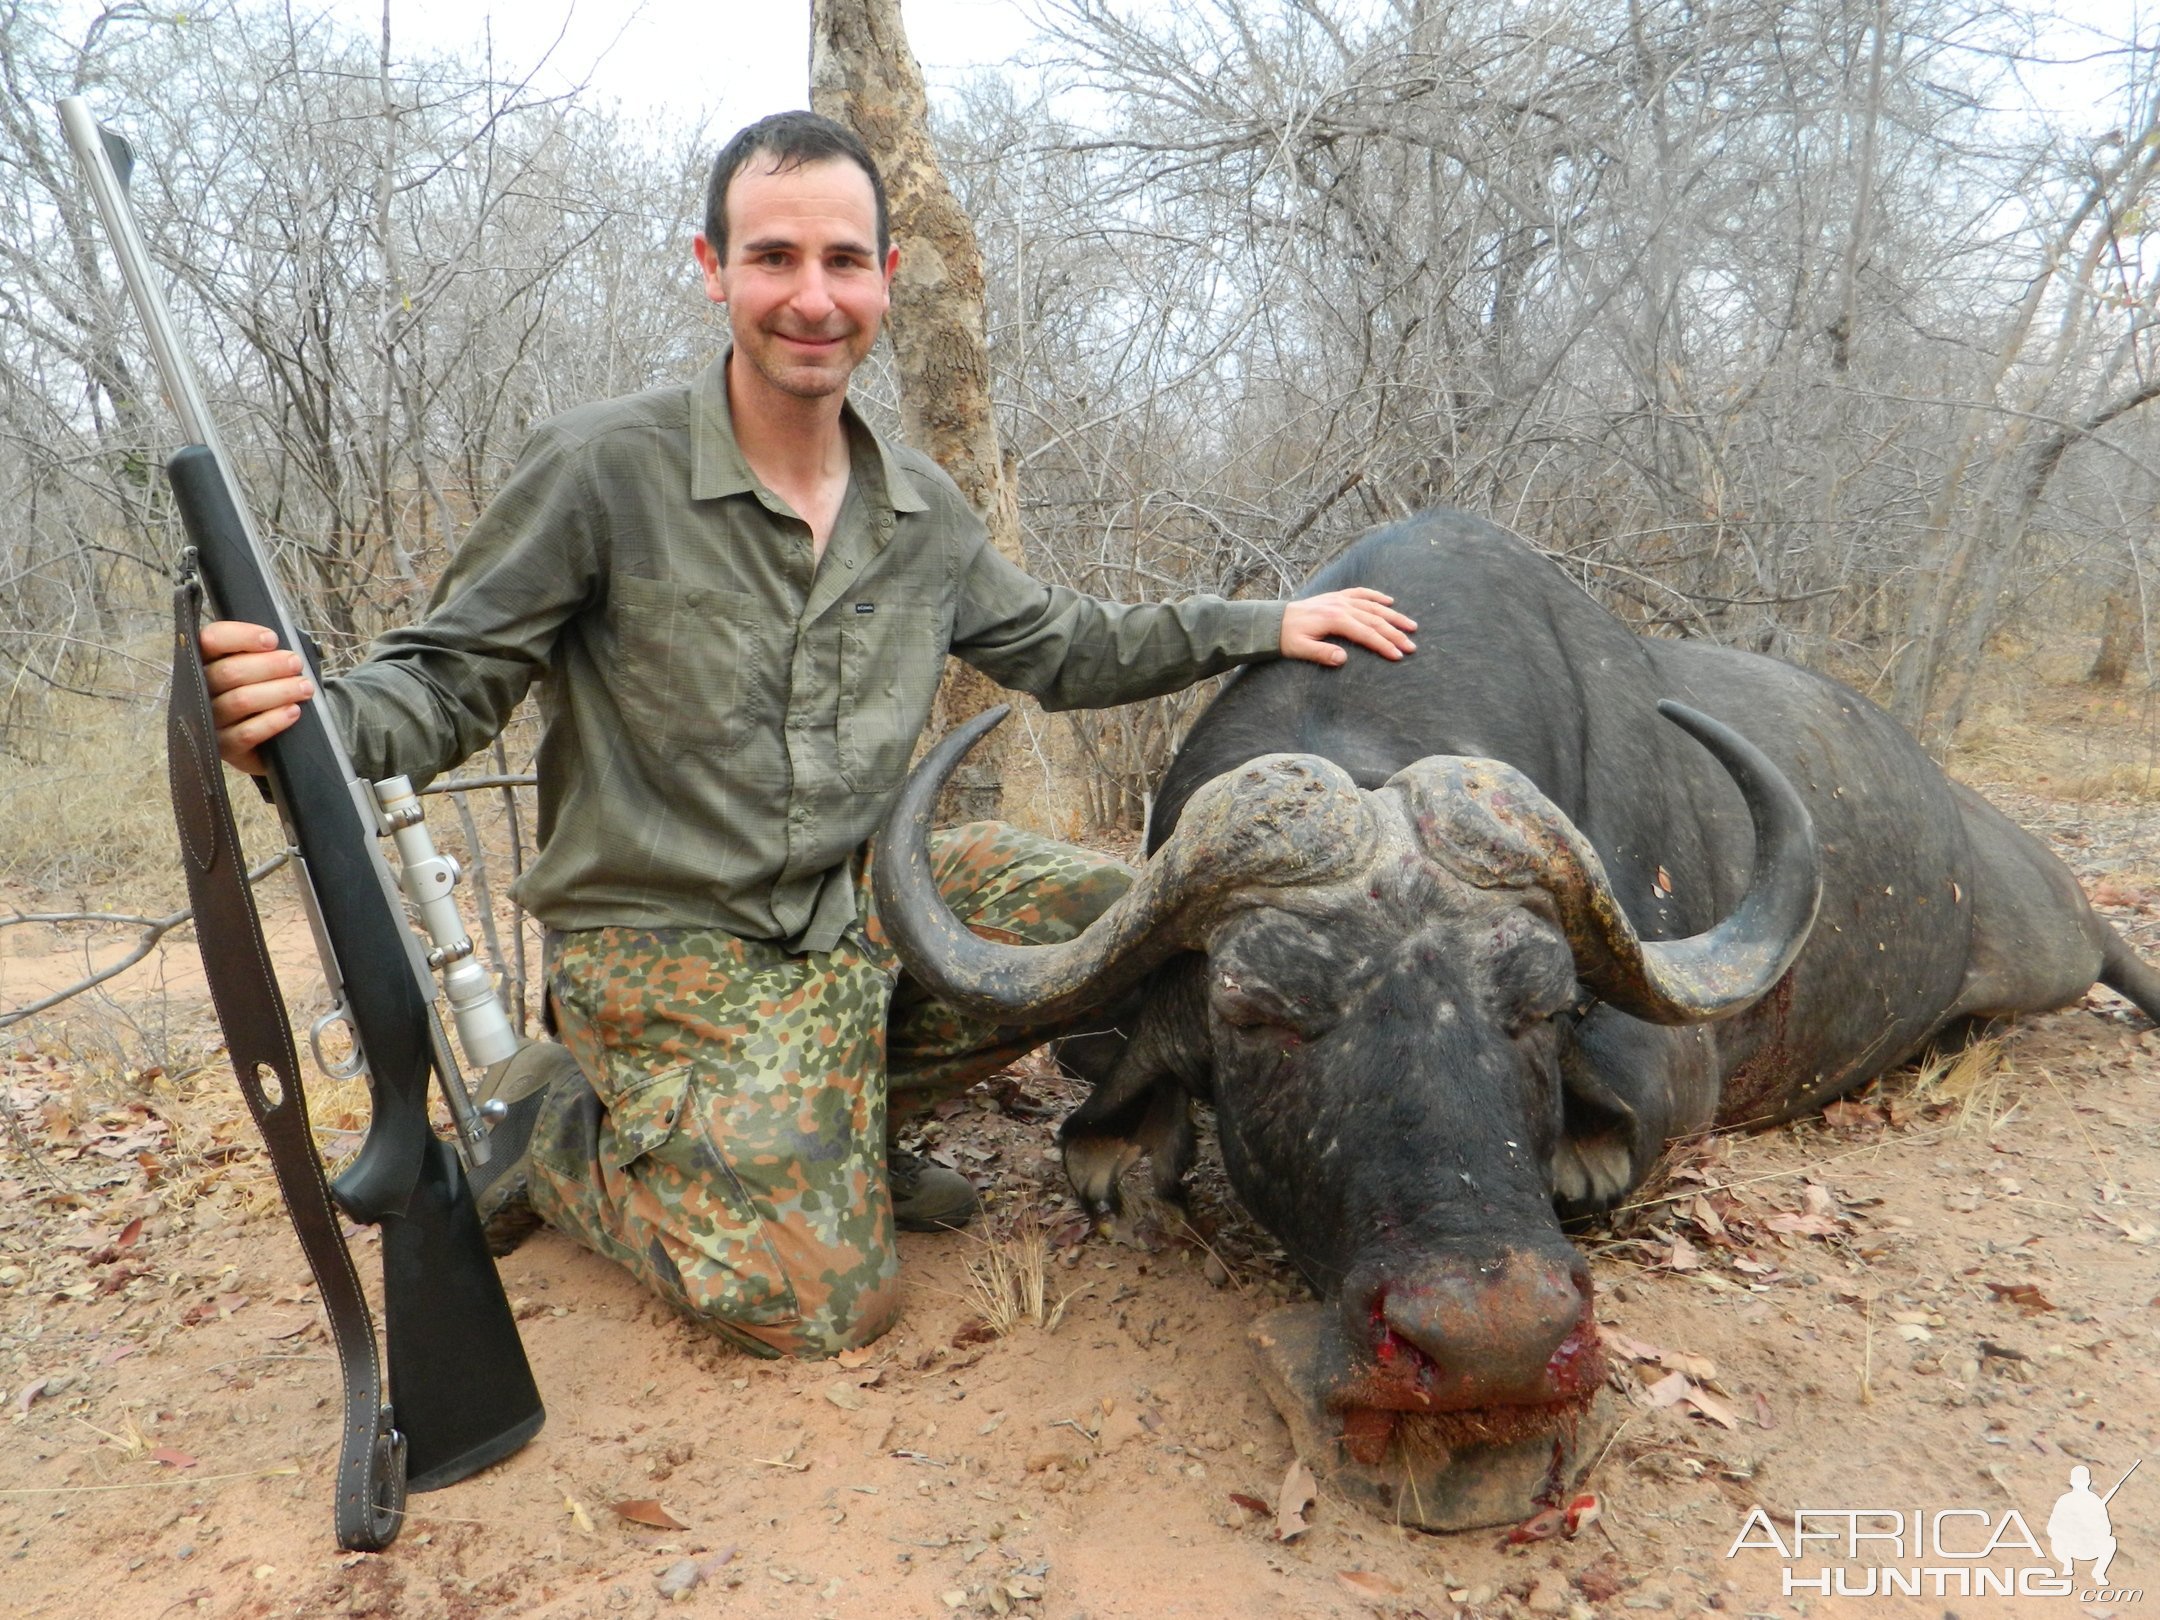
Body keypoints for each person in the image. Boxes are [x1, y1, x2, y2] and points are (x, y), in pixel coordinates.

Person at [197, 111, 1415, 1359]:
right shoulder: (599, 470)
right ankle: (564, 1136)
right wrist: (305, 724)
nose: (810, 298)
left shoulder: (920, 508)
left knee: (1164, 918)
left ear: (887, 278)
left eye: (842, 261)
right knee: (818, 1302)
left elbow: (1063, 644)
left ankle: (836, 1133)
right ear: (712, 267)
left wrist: (1266, 621)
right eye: (773, 258)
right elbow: (445, 685)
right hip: (665, 943)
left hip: (859, 904)